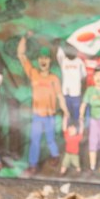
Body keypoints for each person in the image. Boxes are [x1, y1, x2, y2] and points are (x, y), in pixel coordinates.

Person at [17, 36, 65, 176]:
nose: (43, 61)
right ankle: (32, 166)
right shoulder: (33, 73)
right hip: (37, 116)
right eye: (41, 58)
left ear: (50, 61)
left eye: (46, 58)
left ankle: (55, 155)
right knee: (35, 141)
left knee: (50, 139)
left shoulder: (54, 78)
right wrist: (24, 38)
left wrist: (65, 111)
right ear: (38, 61)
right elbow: (21, 55)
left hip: (50, 116)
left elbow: (60, 96)